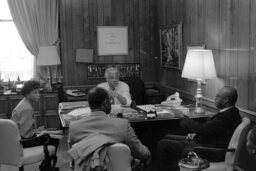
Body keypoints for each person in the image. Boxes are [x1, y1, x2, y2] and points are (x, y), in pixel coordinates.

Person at [156, 86, 241, 171]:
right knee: (166, 137)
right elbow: (211, 130)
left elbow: (201, 128)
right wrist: (195, 134)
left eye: (218, 96)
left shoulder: (227, 117)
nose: (215, 98)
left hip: (208, 152)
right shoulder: (231, 112)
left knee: (163, 144)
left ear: (226, 100)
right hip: (206, 144)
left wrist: (180, 115)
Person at [68, 87, 150, 169]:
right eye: (110, 101)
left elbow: (73, 158)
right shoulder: (122, 125)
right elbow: (141, 152)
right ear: (106, 102)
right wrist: (148, 152)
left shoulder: (74, 127)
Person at [11, 80, 59, 154]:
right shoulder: (26, 108)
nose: (38, 95)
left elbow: (24, 127)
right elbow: (25, 134)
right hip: (22, 141)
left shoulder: (25, 103)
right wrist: (38, 132)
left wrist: (37, 130)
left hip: (18, 137)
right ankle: (46, 165)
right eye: (35, 93)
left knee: (49, 136)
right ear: (27, 94)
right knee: (54, 140)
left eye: (38, 92)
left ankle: (45, 164)